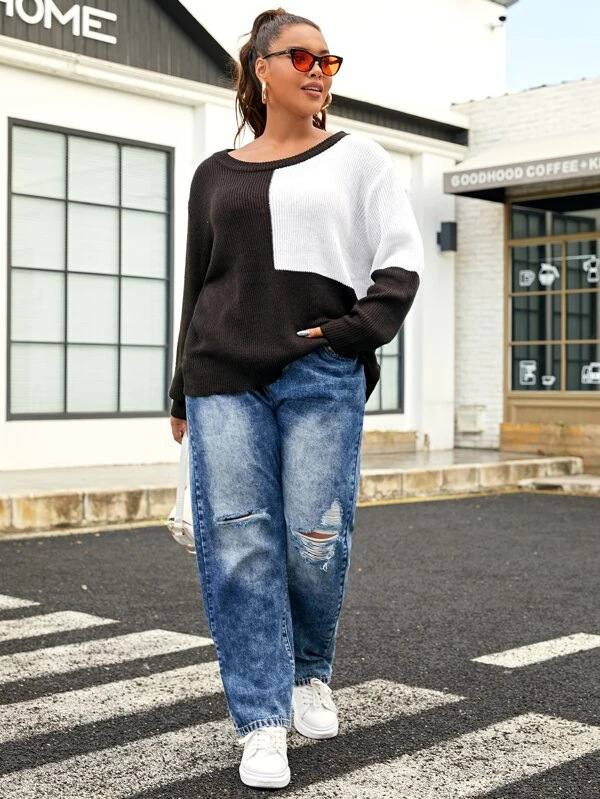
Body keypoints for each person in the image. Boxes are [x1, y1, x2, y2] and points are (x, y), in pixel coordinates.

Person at [168, 6, 424, 790]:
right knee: (241, 544)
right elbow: (198, 284)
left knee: (315, 536)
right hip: (222, 375)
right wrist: (179, 391)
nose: (319, 71)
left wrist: (353, 332)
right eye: (302, 57)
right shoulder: (215, 174)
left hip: (320, 372)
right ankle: (261, 720)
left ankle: (310, 668)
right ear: (262, 68)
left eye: (328, 60)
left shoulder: (360, 158)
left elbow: (400, 263)